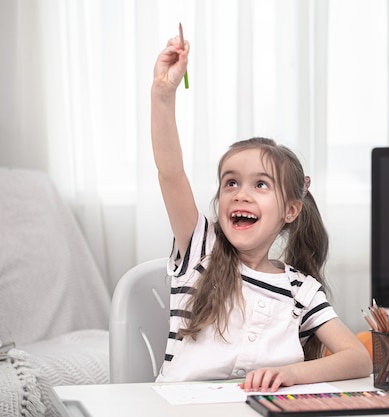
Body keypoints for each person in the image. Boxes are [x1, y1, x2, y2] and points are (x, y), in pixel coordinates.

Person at [150, 34, 372, 392]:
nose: (242, 195)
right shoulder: (200, 250)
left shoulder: (300, 288)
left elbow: (358, 359)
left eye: (261, 185)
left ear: (290, 210)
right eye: (231, 183)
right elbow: (170, 172)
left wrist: (291, 373)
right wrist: (163, 94)